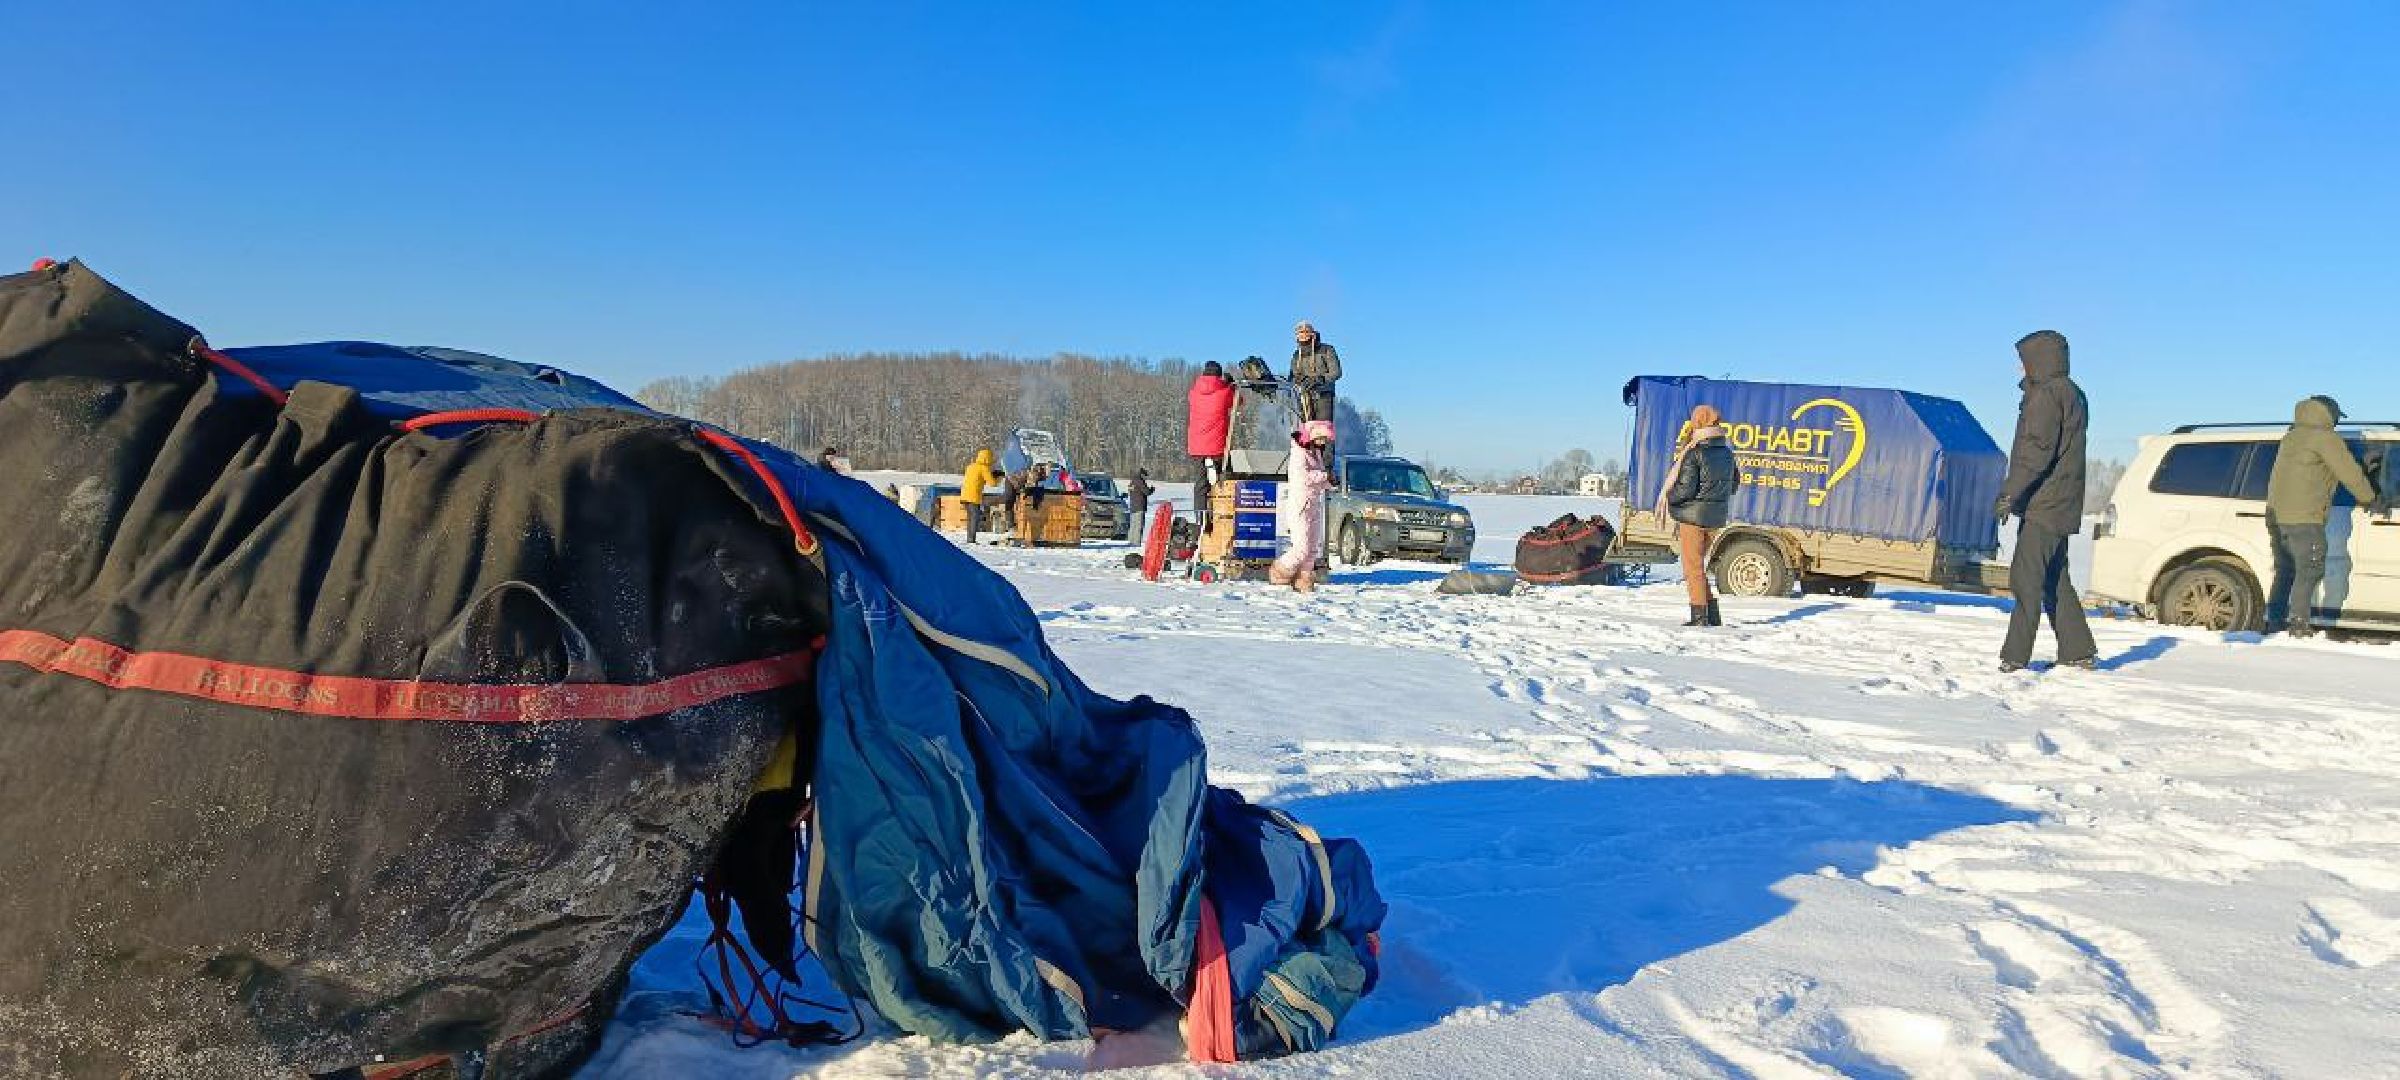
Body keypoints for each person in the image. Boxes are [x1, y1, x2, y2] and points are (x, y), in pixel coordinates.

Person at [1995, 329, 2098, 673]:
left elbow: (2035, 453)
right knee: (2055, 578)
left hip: (2046, 503)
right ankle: (2078, 650)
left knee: (2026, 579)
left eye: (2023, 362)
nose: (2020, 369)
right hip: (2062, 501)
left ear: (2038, 359)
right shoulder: (2072, 393)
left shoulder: (2047, 396)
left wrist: (2010, 493)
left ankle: (2014, 656)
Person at [2265, 395, 2389, 637]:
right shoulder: (2326, 438)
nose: (2336, 423)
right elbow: (2349, 474)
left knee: (2286, 570)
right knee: (2310, 569)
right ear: (2329, 414)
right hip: (2304, 518)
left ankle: (2275, 621)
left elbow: (2321, 471)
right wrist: (2371, 498)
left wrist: (2362, 464)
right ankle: (2299, 626)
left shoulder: (2292, 437)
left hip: (2276, 515)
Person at [1656, 404, 1737, 627]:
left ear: (1697, 423)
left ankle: (1699, 618)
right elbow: (1734, 485)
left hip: (1693, 519)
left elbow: (1685, 489)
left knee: (1692, 568)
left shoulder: (1694, 453)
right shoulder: (1728, 454)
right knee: (1699, 568)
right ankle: (1712, 615)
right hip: (1716, 518)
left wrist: (1670, 497)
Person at [1270, 420, 1337, 593]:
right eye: (1321, 438)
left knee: (1313, 548)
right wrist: (1324, 476)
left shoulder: (1316, 453)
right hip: (1300, 504)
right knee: (1301, 548)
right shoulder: (1299, 453)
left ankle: (1304, 580)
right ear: (1313, 436)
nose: (1323, 443)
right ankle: (1279, 572)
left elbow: (1318, 481)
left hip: (1314, 503)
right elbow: (1302, 478)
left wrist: (1329, 482)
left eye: (1325, 440)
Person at [1187, 361, 1236, 530]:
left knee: (1200, 484)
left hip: (1197, 447)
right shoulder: (1224, 392)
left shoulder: (1193, 392)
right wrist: (1230, 384)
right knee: (1227, 478)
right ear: (1219, 375)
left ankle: (1201, 521)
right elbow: (1238, 401)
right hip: (1217, 447)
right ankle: (1225, 517)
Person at [1288, 321, 1342, 425]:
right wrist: (1298, 380)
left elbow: (1337, 372)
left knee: (1322, 431)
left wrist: (1320, 379)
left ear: (1312, 334)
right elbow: (1292, 377)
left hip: (1323, 395)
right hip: (1304, 397)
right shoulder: (1296, 355)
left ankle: (1323, 440)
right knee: (1305, 431)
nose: (1303, 335)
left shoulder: (1327, 349)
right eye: (1300, 333)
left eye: (1306, 331)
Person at [960, 448, 997, 544]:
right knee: (974, 519)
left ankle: (969, 539)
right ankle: (971, 540)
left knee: (970, 518)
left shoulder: (970, 466)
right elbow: (992, 483)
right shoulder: (984, 468)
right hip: (973, 497)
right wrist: (998, 477)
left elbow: (976, 479)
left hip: (964, 496)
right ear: (987, 458)